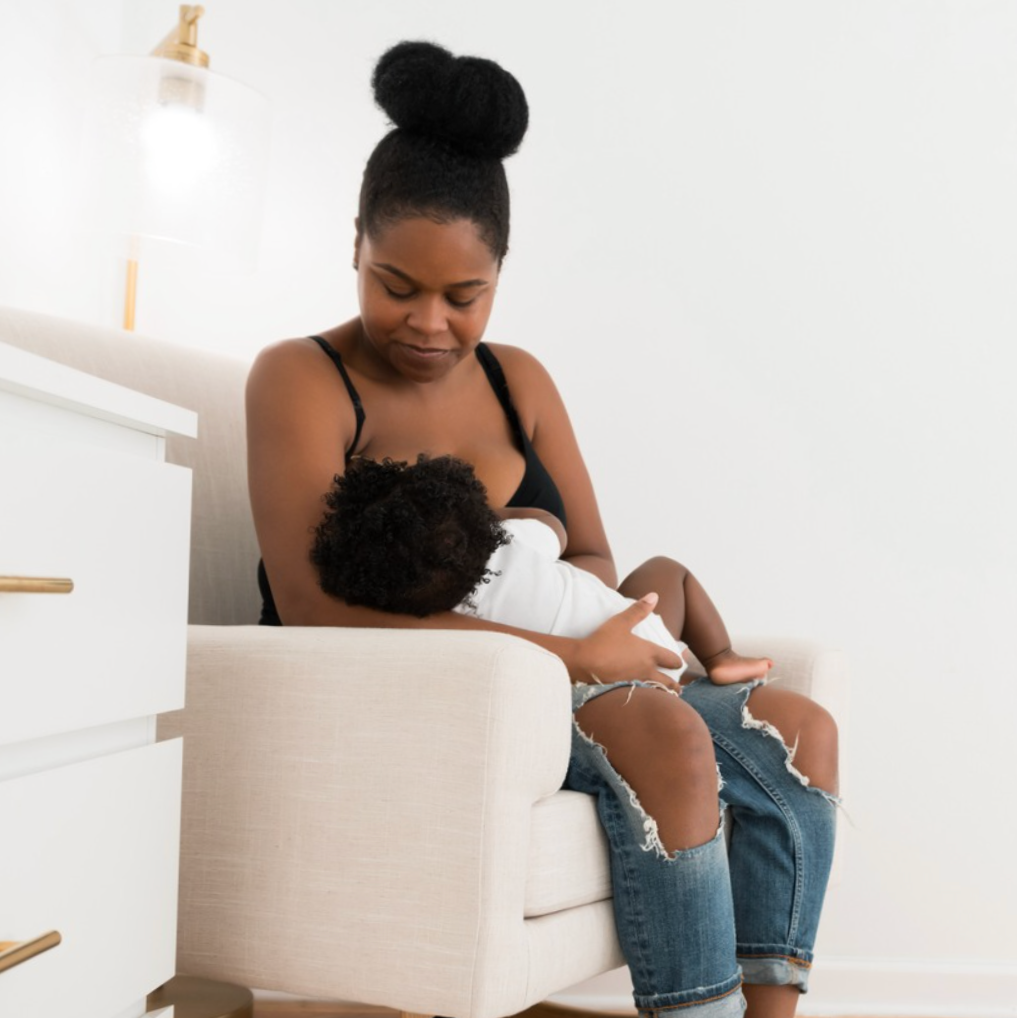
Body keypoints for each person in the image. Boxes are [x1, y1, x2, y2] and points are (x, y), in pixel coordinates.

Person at [247, 39, 839, 1018]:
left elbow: (599, 554)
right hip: (422, 681)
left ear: (499, 274)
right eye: (397, 284)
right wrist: (569, 652)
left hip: (583, 658)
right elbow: (312, 606)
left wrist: (540, 555)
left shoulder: (517, 380)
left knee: (801, 728)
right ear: (354, 242)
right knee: (666, 734)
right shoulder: (302, 377)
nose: (428, 321)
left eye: (463, 295)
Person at [309, 453, 774, 688]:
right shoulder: (511, 543)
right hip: (647, 639)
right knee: (666, 570)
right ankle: (721, 658)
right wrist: (496, 516)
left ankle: (689, 677)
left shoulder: (454, 629)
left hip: (598, 688)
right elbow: (555, 527)